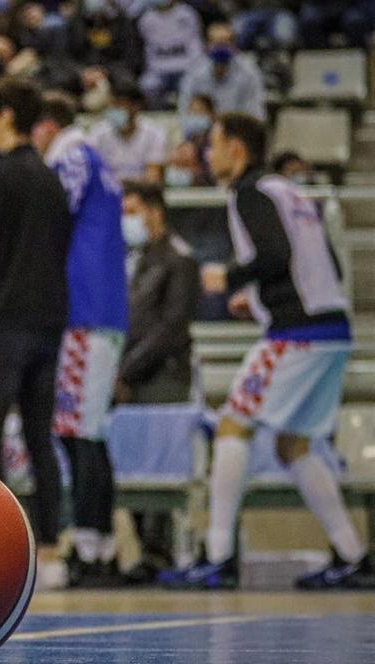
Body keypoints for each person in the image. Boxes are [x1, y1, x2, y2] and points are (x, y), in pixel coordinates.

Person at [160, 113, 374, 590]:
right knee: (292, 444)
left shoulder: (248, 192)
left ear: (237, 148)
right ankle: (353, 554)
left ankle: (218, 557)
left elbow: (276, 254)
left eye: (213, 145)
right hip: (332, 329)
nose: (206, 155)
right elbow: (324, 263)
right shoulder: (290, 192)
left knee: (232, 425)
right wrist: (257, 298)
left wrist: (230, 278)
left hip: (297, 334)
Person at [0, 79, 72, 591]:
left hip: (6, 322)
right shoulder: (51, 180)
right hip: (49, 322)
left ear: (7, 115)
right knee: (39, 437)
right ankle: (50, 550)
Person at [34, 91, 128, 588]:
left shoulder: (72, 157)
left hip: (83, 311)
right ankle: (101, 545)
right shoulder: (98, 159)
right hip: (103, 309)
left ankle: (90, 550)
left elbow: (48, 220)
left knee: (78, 433)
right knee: (90, 431)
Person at [116, 181, 199, 406]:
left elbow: (172, 326)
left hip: (163, 374)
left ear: (155, 212)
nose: (125, 220)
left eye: (132, 212)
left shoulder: (179, 258)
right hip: (128, 371)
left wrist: (125, 370)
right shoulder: (133, 256)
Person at [177, 23, 265, 122]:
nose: (221, 48)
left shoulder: (249, 73)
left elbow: (255, 115)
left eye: (225, 44)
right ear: (206, 46)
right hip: (204, 131)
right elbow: (184, 111)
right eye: (217, 43)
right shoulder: (194, 73)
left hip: (238, 129)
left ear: (234, 46)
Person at [90, 82, 168, 183]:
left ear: (136, 107)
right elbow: (94, 175)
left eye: (119, 105)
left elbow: (152, 176)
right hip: (108, 193)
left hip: (141, 193)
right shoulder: (98, 133)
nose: (114, 110)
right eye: (112, 105)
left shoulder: (155, 133)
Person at [136, 0, 203, 108]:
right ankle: (157, 114)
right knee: (147, 85)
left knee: (191, 84)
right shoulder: (146, 19)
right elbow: (145, 47)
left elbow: (195, 44)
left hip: (185, 67)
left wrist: (196, 67)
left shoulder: (187, 13)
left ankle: (185, 114)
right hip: (158, 69)